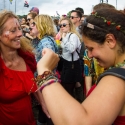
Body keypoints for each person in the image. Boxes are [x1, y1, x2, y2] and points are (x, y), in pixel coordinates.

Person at [36, 8, 125, 125]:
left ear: (110, 40)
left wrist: (44, 71)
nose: (89, 55)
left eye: (91, 48)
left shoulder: (117, 79)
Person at [0, 10, 38, 125]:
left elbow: (33, 83)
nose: (20, 34)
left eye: (19, 29)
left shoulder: (27, 58)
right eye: (13, 30)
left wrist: (44, 104)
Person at [31, 14, 58, 125]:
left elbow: (48, 62)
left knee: (48, 112)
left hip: (44, 82)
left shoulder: (45, 42)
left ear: (41, 25)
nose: (31, 26)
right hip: (44, 81)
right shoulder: (42, 40)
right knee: (45, 113)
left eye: (34, 23)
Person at [58, 17, 82, 99]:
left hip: (72, 65)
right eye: (60, 25)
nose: (62, 27)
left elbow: (72, 49)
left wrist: (64, 38)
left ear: (70, 25)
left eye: (64, 25)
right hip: (66, 63)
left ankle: (76, 103)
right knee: (67, 86)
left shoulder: (73, 36)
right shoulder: (65, 35)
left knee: (68, 88)